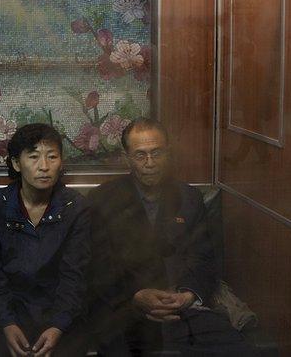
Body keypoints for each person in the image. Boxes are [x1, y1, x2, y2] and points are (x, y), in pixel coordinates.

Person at [87, 118, 248, 356]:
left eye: (156, 153)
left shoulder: (189, 198)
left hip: (180, 303)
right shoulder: (103, 199)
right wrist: (135, 295)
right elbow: (96, 265)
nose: (150, 163)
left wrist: (188, 294)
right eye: (140, 155)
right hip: (124, 307)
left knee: (238, 348)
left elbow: (205, 257)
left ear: (168, 153)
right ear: (127, 157)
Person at [0, 123, 91, 357]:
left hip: (59, 312)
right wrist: (7, 322)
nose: (44, 167)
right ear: (17, 163)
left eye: (52, 157)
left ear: (61, 162)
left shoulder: (76, 207)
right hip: (7, 310)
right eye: (34, 157)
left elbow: (74, 276)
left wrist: (58, 325)